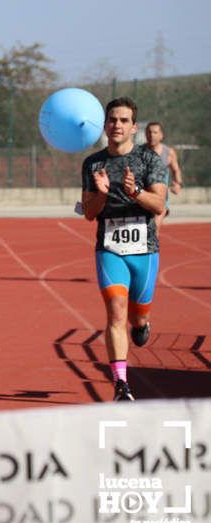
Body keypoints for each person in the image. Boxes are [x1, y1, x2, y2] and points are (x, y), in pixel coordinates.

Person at [81, 97, 167, 402]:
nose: (117, 125)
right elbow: (90, 212)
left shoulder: (149, 161)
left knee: (136, 319)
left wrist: (136, 192)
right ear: (104, 125)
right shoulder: (93, 163)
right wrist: (102, 194)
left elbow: (160, 204)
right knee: (116, 312)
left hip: (145, 248)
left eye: (123, 120)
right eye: (112, 120)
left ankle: (142, 324)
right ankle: (121, 385)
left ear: (133, 126)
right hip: (109, 248)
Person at [142, 121, 183, 232]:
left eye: (155, 132)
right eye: (149, 132)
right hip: (143, 197)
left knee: (153, 231)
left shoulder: (168, 152)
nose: (152, 135)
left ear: (161, 135)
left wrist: (178, 184)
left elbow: (176, 170)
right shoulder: (139, 152)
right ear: (145, 134)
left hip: (161, 199)